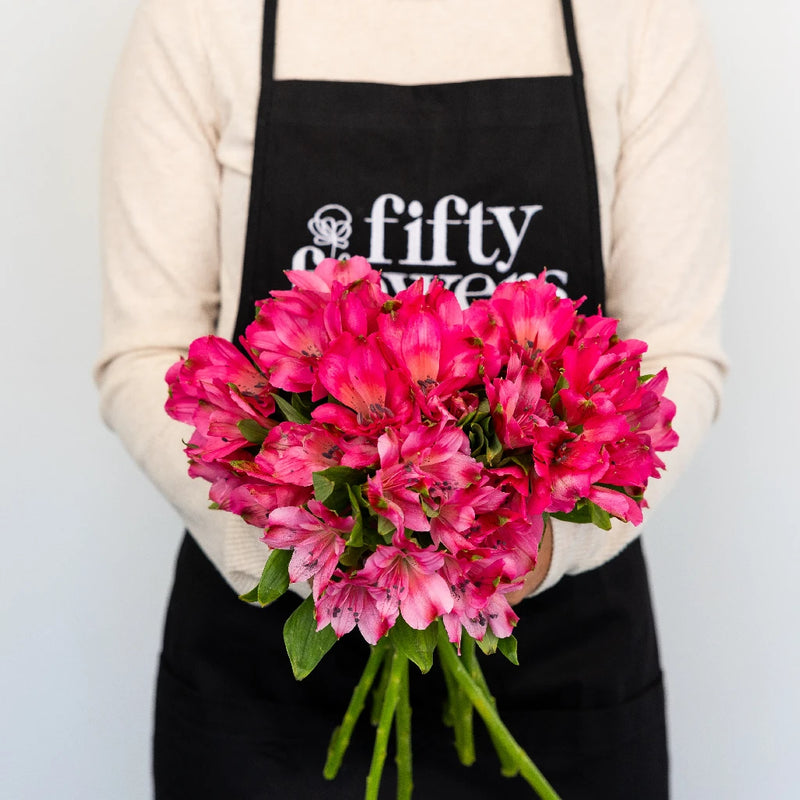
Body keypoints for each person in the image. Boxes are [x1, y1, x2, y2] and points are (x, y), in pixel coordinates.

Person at [96, 0, 728, 797]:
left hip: (564, 668)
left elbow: (675, 358)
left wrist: (531, 552)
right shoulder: (201, 18)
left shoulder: (638, 20)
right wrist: (308, 541)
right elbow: (145, 351)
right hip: (263, 680)